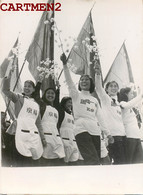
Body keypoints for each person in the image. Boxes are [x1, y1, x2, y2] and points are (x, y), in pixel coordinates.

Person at [60, 53, 113, 165]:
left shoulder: (94, 100)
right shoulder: (76, 95)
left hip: (95, 130)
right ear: (79, 83)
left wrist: (108, 133)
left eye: (86, 80)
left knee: (97, 160)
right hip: (81, 128)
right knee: (92, 159)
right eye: (82, 80)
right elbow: (69, 82)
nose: (84, 81)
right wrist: (65, 65)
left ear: (91, 83)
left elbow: (100, 118)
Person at [2, 68, 46, 167]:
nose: (26, 88)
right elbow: (5, 90)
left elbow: (38, 123)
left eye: (29, 86)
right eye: (25, 86)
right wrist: (8, 76)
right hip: (17, 132)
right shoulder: (18, 97)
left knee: (29, 160)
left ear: (33, 89)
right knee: (15, 159)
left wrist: (42, 138)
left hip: (31, 135)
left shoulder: (36, 105)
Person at [95, 66, 126, 164]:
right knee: (113, 163)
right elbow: (99, 88)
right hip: (112, 136)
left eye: (115, 86)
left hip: (122, 136)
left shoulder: (119, 104)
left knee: (122, 163)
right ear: (107, 89)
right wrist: (98, 74)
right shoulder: (106, 99)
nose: (114, 88)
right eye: (111, 86)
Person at [35, 76, 65, 166]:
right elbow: (36, 95)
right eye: (48, 93)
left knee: (59, 163)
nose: (50, 95)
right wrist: (39, 82)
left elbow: (57, 100)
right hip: (46, 138)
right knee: (45, 163)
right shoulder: (42, 105)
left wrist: (58, 88)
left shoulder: (56, 109)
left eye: (53, 93)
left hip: (56, 138)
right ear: (44, 94)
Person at [118, 87, 143, 163]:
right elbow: (129, 104)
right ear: (125, 94)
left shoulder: (132, 107)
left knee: (139, 161)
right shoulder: (122, 103)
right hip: (129, 137)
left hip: (136, 136)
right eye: (131, 93)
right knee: (129, 161)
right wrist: (141, 96)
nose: (132, 95)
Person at [59, 96, 83, 165]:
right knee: (64, 163)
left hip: (73, 141)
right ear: (64, 103)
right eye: (68, 102)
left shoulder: (72, 116)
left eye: (71, 103)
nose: (70, 104)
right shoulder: (62, 113)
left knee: (74, 162)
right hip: (65, 140)